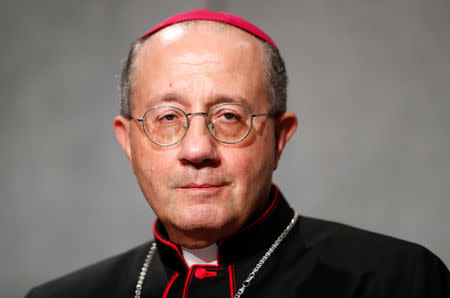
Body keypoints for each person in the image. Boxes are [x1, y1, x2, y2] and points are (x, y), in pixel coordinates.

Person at [26, 9, 449, 298]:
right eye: (167, 117)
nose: (196, 150)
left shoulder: (399, 281)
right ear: (128, 142)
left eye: (229, 116)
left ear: (280, 138)